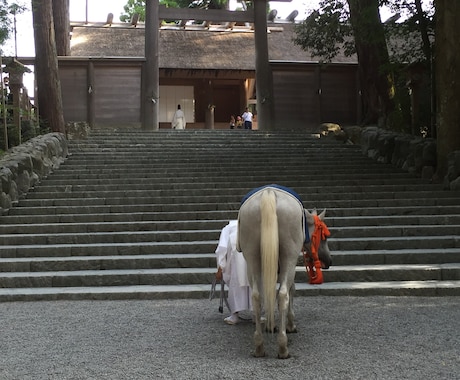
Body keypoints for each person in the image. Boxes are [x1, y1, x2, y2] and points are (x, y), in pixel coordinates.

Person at [215, 220, 252, 325]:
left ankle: (234, 315)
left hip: (235, 254)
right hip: (251, 253)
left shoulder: (228, 228)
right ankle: (257, 315)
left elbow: (222, 248)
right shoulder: (252, 223)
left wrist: (220, 266)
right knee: (254, 281)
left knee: (236, 284)